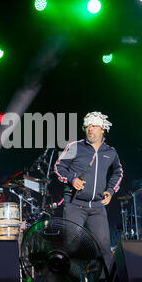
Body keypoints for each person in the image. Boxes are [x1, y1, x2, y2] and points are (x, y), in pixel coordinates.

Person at [54, 111, 123, 273]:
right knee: (71, 247)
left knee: (105, 248)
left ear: (103, 129)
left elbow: (118, 172)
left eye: (93, 126)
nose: (89, 129)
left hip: (97, 208)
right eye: (87, 126)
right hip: (74, 205)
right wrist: (72, 179)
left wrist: (110, 191)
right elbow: (58, 166)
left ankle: (105, 280)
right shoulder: (75, 146)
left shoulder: (110, 152)